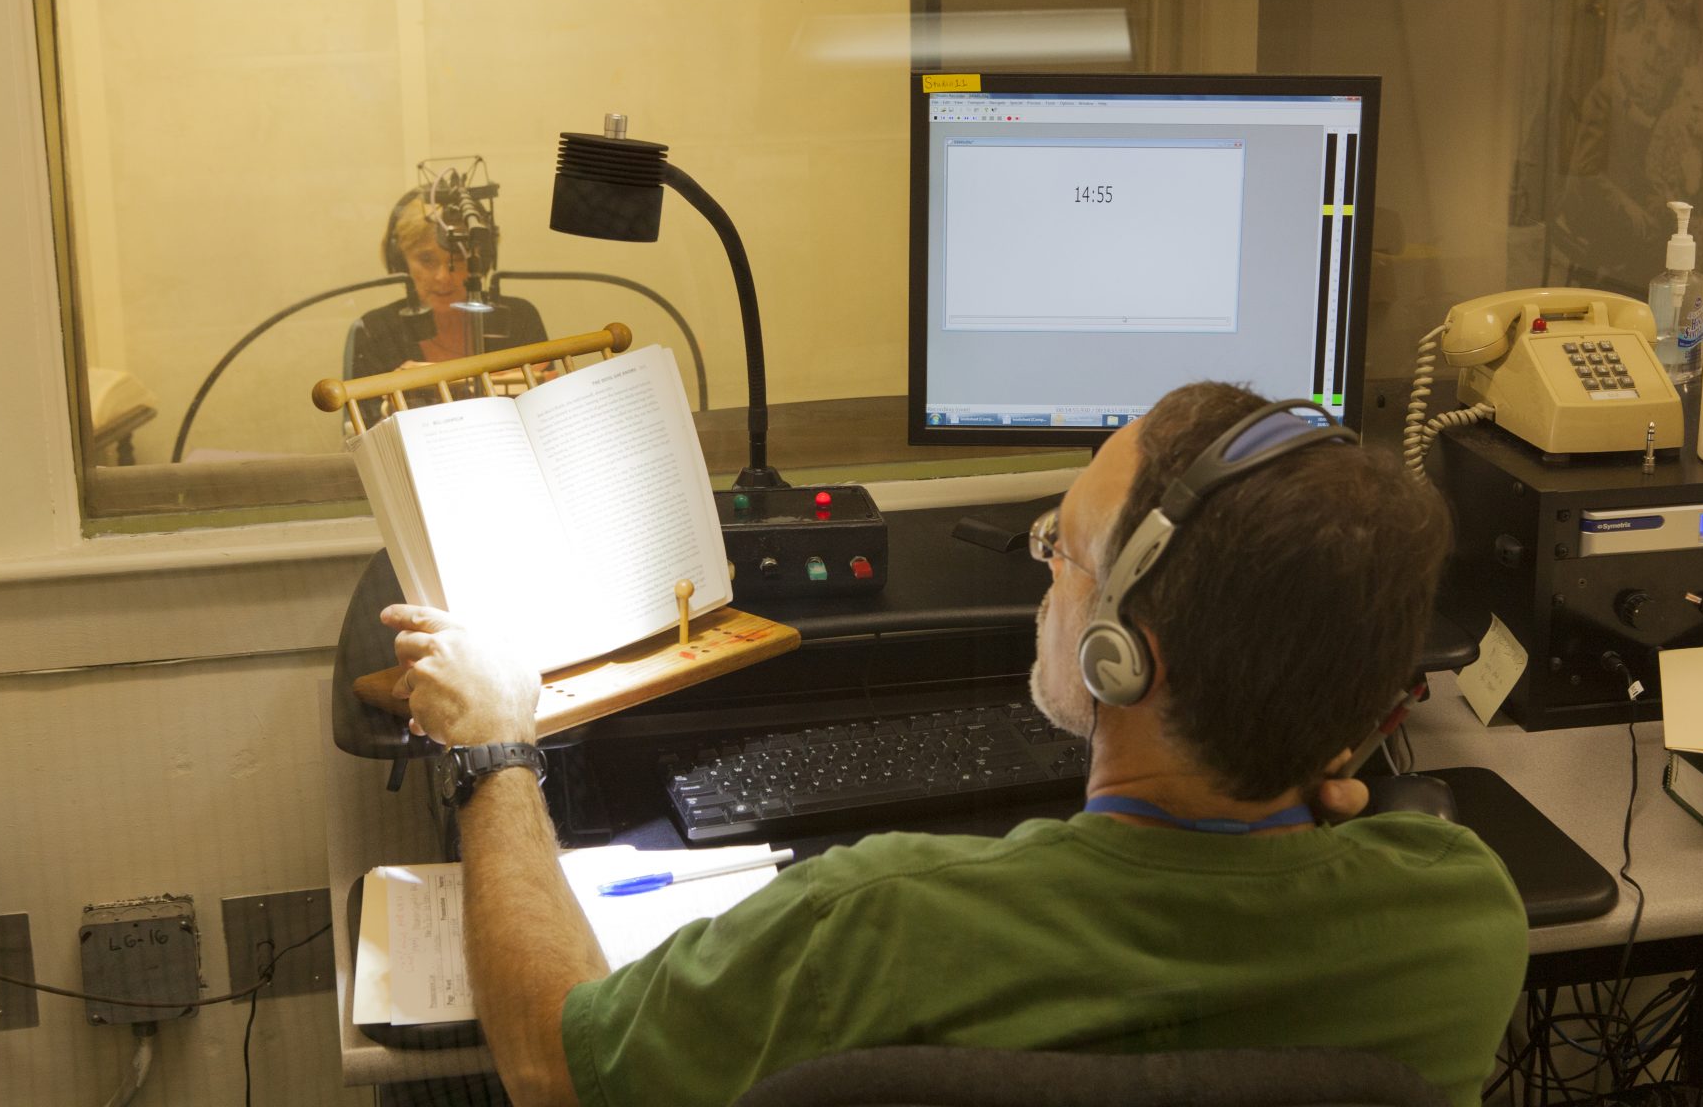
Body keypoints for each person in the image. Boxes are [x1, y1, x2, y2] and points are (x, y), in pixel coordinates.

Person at [383, 380, 1529, 1107]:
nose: (1045, 574)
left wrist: (497, 744)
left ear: (1126, 654)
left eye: (1064, 551)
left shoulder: (875, 922)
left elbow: (549, 1064)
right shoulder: (1457, 921)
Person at [348, 188, 550, 387]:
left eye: (459, 258)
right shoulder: (374, 331)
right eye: (426, 259)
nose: (443, 277)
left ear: (481, 259)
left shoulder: (519, 318)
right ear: (401, 262)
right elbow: (366, 418)